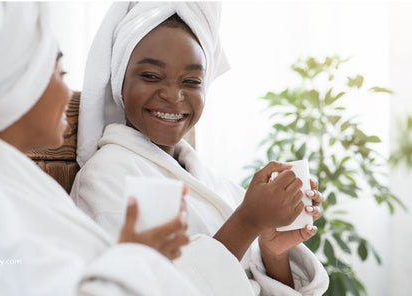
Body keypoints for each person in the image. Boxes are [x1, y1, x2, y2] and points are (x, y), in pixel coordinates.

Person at [0, 3, 200, 295]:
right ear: (15, 87)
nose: (68, 91)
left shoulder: (11, 189)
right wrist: (135, 259)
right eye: (60, 72)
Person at [71, 2, 329, 295]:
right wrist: (247, 221)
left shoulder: (211, 181)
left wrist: (274, 252)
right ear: (119, 80)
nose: (172, 95)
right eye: (151, 76)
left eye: (192, 81)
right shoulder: (107, 177)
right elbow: (149, 288)